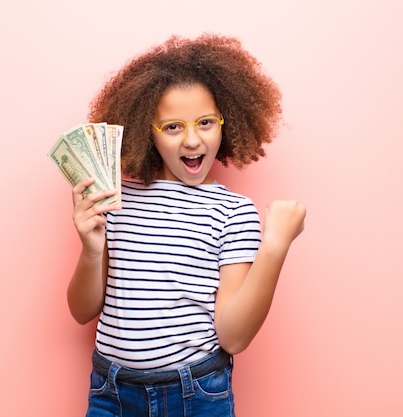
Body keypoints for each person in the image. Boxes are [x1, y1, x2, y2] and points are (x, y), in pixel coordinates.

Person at [66, 33, 306, 417]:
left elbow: (234, 335)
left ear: (227, 121)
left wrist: (275, 245)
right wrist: (91, 248)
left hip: (195, 395)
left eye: (206, 122)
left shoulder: (233, 212)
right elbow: (81, 311)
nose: (192, 140)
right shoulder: (114, 197)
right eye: (173, 127)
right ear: (148, 130)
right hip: (112, 394)